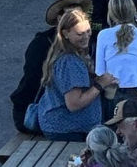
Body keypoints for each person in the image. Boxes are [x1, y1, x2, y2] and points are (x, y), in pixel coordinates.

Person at [10, 0, 92, 133]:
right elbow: (33, 81)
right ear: (60, 19)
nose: (76, 20)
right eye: (70, 16)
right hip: (37, 112)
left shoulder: (81, 40)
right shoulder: (43, 45)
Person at [36, 8, 118, 141]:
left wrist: (98, 80)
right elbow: (74, 104)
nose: (86, 37)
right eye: (80, 34)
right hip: (66, 130)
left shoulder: (70, 53)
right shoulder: (69, 62)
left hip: (64, 126)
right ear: (65, 34)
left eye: (88, 31)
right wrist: (100, 84)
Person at [95, 0, 137, 120]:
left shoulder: (103, 35)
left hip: (112, 95)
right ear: (133, 12)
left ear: (111, 14)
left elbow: (100, 72)